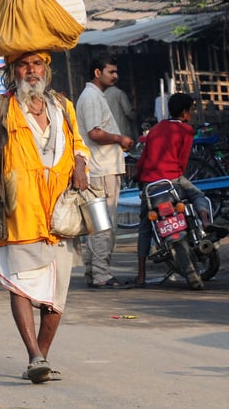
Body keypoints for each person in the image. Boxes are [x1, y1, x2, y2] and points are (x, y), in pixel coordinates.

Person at [0, 51, 90, 384]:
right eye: (23, 65)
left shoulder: (63, 106)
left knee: (57, 293)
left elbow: (80, 144)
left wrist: (80, 165)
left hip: (60, 213)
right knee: (19, 284)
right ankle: (34, 355)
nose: (30, 70)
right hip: (18, 210)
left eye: (36, 64)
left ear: (46, 70)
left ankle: (42, 358)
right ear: (12, 71)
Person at [132, 92, 225, 289]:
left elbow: (143, 159)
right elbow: (182, 162)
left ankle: (141, 274)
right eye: (191, 110)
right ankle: (206, 221)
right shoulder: (185, 131)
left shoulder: (155, 130)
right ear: (184, 112)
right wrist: (176, 177)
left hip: (150, 185)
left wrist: (140, 178)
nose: (192, 113)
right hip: (173, 180)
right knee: (199, 195)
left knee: (144, 228)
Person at [75, 54, 134, 289]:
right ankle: (101, 274)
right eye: (111, 71)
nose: (115, 76)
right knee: (103, 225)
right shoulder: (90, 97)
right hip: (101, 169)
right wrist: (120, 138)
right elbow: (94, 133)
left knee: (97, 224)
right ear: (97, 73)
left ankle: (93, 272)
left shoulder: (95, 96)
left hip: (103, 167)